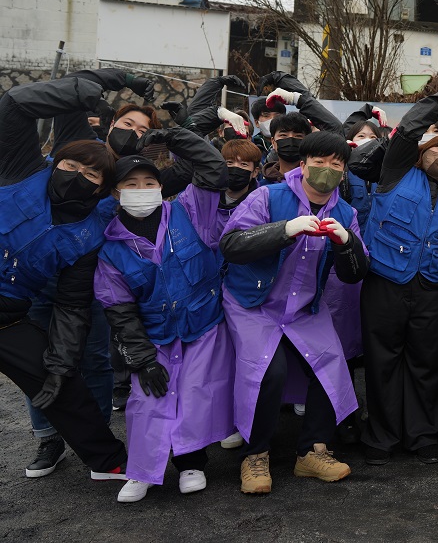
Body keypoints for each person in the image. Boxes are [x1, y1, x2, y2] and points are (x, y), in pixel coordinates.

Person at [221, 131, 369, 494]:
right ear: (302, 165)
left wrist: (346, 244)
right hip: (253, 304)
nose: (327, 169)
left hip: (304, 308)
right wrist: (284, 230)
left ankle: (313, 452)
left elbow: (354, 274)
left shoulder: (346, 213)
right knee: (268, 370)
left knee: (331, 364)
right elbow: (232, 244)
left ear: (344, 172)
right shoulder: (267, 196)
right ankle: (256, 454)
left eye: (336, 164)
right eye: (319, 161)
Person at [94, 128, 235, 503]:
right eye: (131, 184)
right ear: (116, 193)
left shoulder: (190, 211)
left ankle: (192, 464)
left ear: (161, 186)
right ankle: (141, 471)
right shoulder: (111, 248)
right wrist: (142, 360)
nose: (141, 189)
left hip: (202, 327)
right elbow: (119, 310)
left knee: (195, 395)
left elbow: (213, 168)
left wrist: (174, 137)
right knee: (146, 401)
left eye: (149, 182)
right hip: (154, 335)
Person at [0, 74, 129, 483]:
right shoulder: (20, 171)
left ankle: (109, 461)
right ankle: (48, 442)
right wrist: (81, 91)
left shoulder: (90, 234)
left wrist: (58, 366)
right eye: (69, 165)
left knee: (61, 383)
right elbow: (14, 105)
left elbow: (73, 305)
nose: (75, 174)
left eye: (90, 174)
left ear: (101, 189)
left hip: (8, 318)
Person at [358, 88, 438, 466]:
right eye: (437, 149)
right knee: (382, 362)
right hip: (385, 282)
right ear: (422, 153)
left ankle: (423, 435)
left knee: (426, 363)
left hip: (431, 288)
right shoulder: (394, 171)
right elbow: (407, 129)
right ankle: (382, 436)